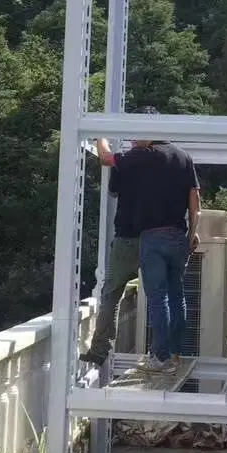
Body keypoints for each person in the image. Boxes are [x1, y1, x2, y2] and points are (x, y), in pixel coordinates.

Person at [97, 118, 200, 372]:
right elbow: (195, 201)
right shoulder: (184, 157)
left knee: (157, 298)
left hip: (153, 237)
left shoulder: (143, 156)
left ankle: (160, 358)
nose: (134, 140)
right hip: (179, 236)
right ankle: (176, 354)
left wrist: (100, 136)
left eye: (136, 135)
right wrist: (192, 235)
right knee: (178, 297)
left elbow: (106, 159)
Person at [81, 148, 140, 368]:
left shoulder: (124, 160)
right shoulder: (164, 160)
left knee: (111, 294)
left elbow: (113, 191)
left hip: (126, 237)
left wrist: (102, 138)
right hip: (155, 238)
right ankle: (164, 354)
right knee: (161, 298)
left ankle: (99, 349)